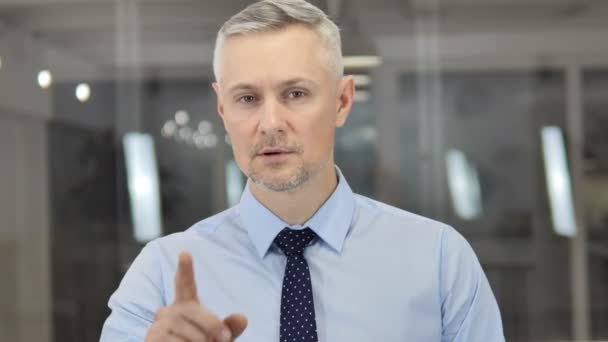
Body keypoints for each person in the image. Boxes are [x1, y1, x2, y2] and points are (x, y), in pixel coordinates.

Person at [99, 0, 505, 341]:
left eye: (295, 94)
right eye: (247, 98)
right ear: (222, 109)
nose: (270, 122)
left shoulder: (438, 261)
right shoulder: (161, 276)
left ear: (343, 101)